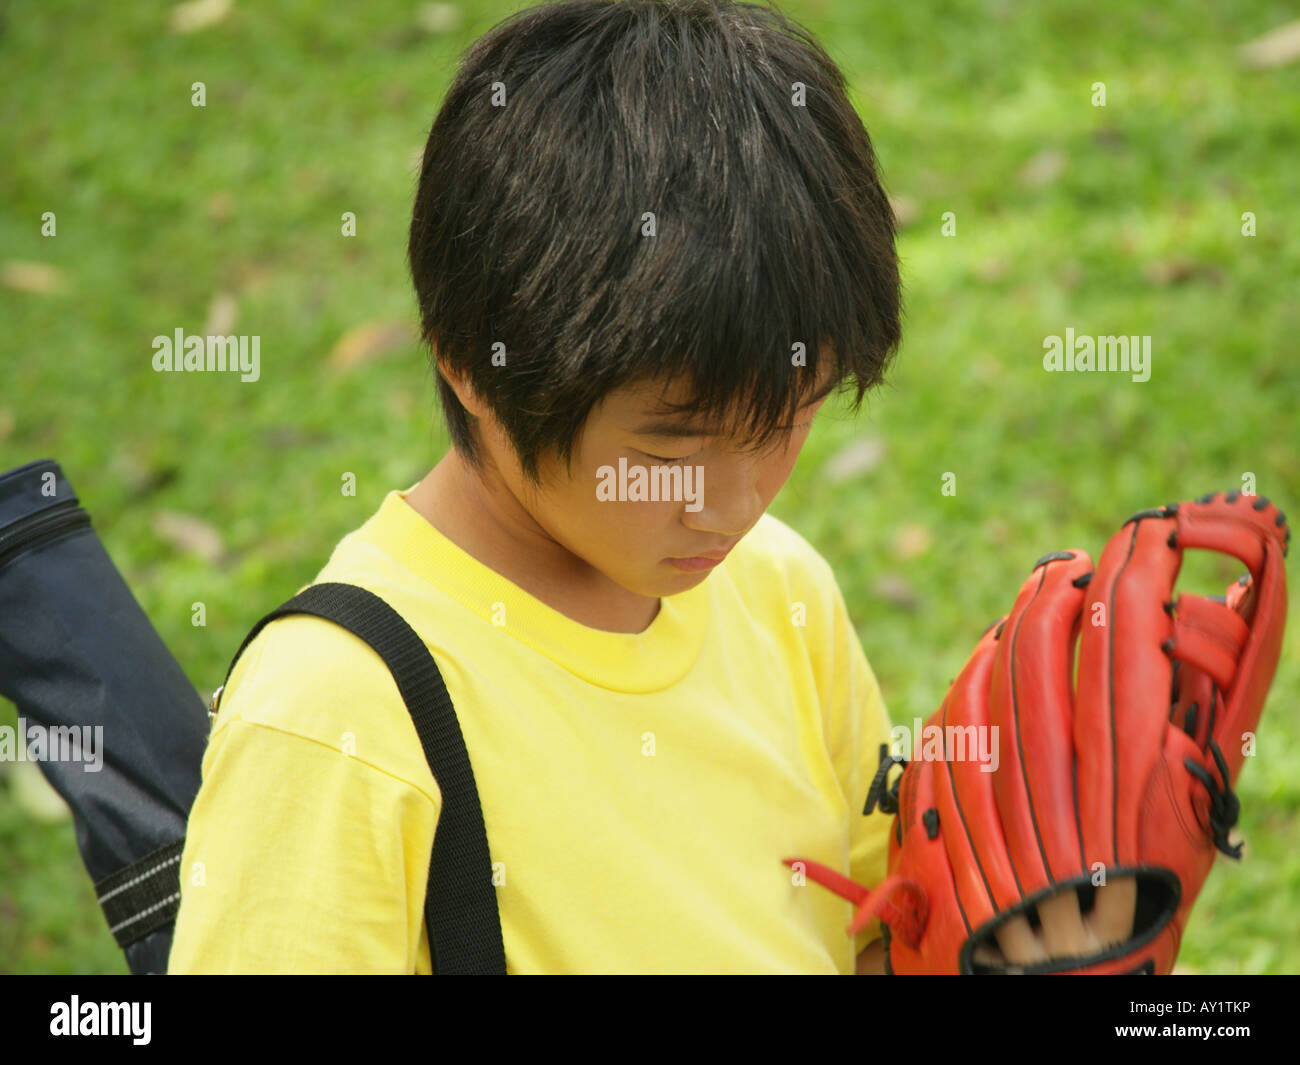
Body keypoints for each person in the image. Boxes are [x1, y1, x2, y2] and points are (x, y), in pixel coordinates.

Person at [168, 0, 1127, 974]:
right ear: (473, 363)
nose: (736, 504)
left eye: (788, 419)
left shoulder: (779, 590)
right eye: (674, 448)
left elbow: (878, 937)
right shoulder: (338, 713)